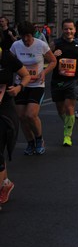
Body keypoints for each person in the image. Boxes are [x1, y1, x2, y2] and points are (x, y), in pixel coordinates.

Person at [10, 22, 57, 155]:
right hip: (20, 85)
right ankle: (30, 142)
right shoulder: (16, 46)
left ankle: (39, 139)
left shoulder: (41, 45)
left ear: (33, 34)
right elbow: (9, 62)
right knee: (21, 116)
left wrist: (44, 72)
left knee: (31, 114)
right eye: (23, 36)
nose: (26, 39)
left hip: (36, 85)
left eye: (28, 36)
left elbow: (53, 61)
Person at [0, 42, 30, 207]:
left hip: (4, 110)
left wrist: (19, 88)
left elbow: (25, 75)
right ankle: (5, 183)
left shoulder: (7, 57)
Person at [51, 19, 78, 147]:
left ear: (75, 30)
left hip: (73, 80)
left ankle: (67, 135)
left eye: (71, 29)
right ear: (62, 29)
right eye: (66, 29)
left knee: (69, 107)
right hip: (58, 80)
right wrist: (53, 55)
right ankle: (69, 122)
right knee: (60, 109)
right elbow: (46, 58)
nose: (69, 31)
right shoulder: (55, 43)